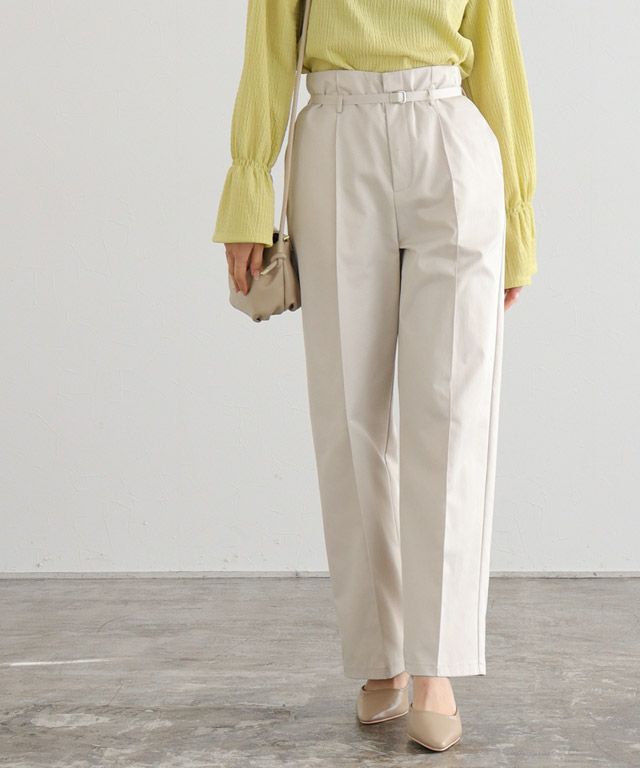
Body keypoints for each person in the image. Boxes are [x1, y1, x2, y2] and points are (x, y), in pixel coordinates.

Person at [213, 0, 536, 753]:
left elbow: (496, 52)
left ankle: (435, 665)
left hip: (449, 134)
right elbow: (270, 44)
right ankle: (380, 655)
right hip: (337, 132)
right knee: (347, 417)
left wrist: (518, 218)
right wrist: (248, 187)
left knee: (451, 413)